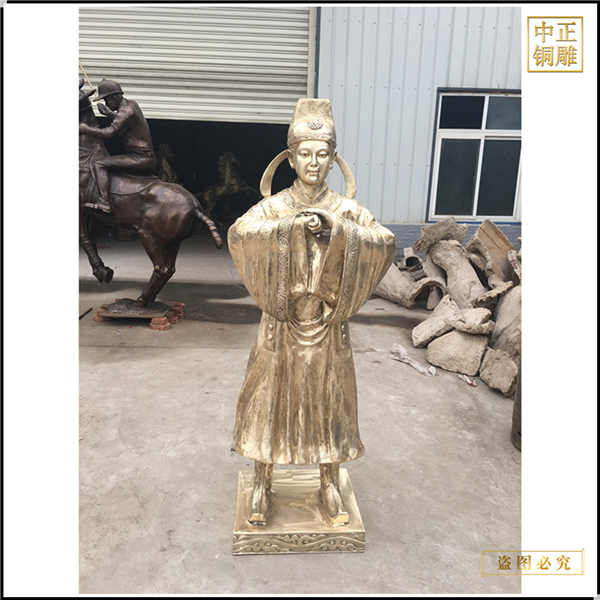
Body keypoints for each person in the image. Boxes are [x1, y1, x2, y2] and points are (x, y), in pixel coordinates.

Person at [228, 98, 396, 526]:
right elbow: (240, 233)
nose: (314, 163)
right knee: (267, 401)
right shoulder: (274, 207)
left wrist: (337, 229)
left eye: (323, 154)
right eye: (305, 154)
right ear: (290, 159)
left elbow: (384, 240)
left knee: (329, 403)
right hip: (281, 324)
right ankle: (262, 480)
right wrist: (291, 227)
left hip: (327, 324)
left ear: (333, 159)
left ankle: (329, 480)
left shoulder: (347, 210)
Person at [79, 79, 157, 213]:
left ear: (114, 98)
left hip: (140, 159)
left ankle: (104, 203)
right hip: (141, 157)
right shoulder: (131, 105)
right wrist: (109, 113)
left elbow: (109, 133)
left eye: (106, 100)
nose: (106, 103)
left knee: (100, 164)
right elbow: (125, 120)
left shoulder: (126, 111)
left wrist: (86, 129)